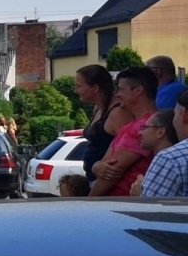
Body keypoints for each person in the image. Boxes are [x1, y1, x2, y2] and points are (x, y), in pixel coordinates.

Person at [90, 66, 158, 197]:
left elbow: (111, 171)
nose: (117, 94)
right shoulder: (132, 125)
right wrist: (96, 166)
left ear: (138, 90)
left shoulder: (145, 127)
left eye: (121, 89)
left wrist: (88, 201)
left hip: (124, 204)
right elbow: (104, 163)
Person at [141, 87, 188, 197]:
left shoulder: (171, 158)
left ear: (185, 115)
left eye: (175, 114)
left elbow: (151, 206)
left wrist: (139, 193)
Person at [73, 64, 132, 179]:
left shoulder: (118, 113)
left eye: (79, 86)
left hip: (108, 181)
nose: (75, 90)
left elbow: (126, 150)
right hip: (95, 177)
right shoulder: (98, 108)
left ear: (95, 88)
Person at [130, 108, 179, 196]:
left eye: (144, 128)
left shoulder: (165, 160)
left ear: (160, 132)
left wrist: (139, 194)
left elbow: (156, 203)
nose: (139, 133)